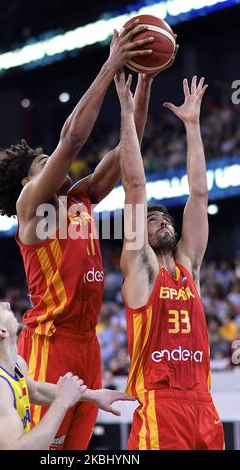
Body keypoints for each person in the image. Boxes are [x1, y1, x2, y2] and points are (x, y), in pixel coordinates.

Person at [0, 20, 162, 450]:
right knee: (46, 448)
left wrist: (144, 82)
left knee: (74, 451)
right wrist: (109, 65)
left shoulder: (82, 198)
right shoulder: (32, 210)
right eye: (44, 163)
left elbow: (129, 144)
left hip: (88, 342)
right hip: (51, 342)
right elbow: (73, 137)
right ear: (28, 182)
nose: (56, 164)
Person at [115, 70, 225, 450]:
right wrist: (128, 116)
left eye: (165, 218)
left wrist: (192, 126)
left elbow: (197, 194)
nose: (162, 220)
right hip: (161, 405)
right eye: (152, 218)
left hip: (204, 402)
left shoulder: (188, 268)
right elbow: (134, 185)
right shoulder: (140, 268)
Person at [0, 288, 134, 450]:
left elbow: (36, 391)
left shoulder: (15, 365)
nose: (7, 305)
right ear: (2, 332)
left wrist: (93, 396)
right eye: (1, 307)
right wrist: (62, 401)